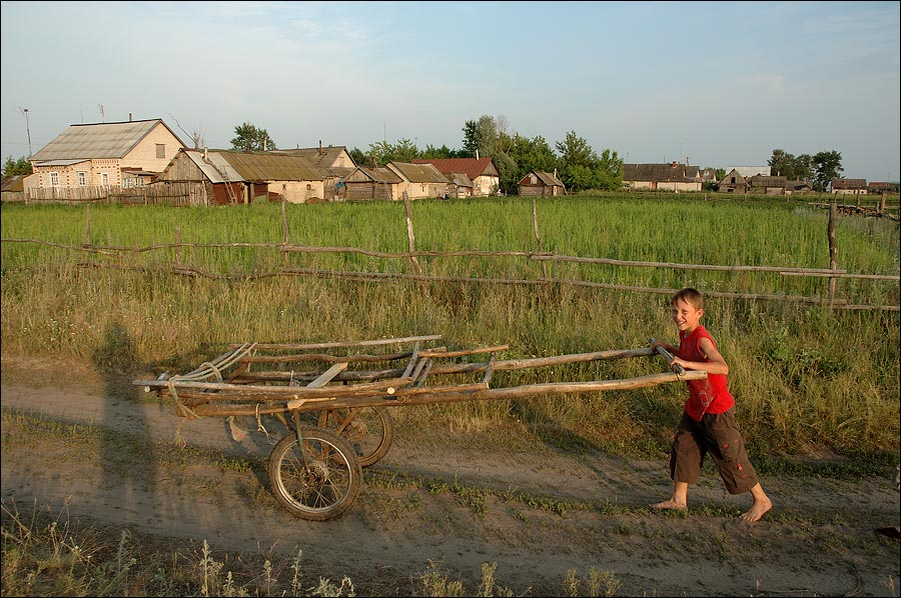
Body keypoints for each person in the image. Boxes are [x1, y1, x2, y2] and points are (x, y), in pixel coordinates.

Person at [650, 287, 772, 523]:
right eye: (675, 311)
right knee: (684, 446)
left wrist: (684, 362)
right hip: (696, 406)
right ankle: (678, 500)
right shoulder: (685, 335)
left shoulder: (702, 338)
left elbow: (722, 366)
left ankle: (761, 499)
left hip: (717, 409)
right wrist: (668, 348)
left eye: (685, 311)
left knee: (729, 454)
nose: (678, 316)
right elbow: (687, 355)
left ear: (699, 313)